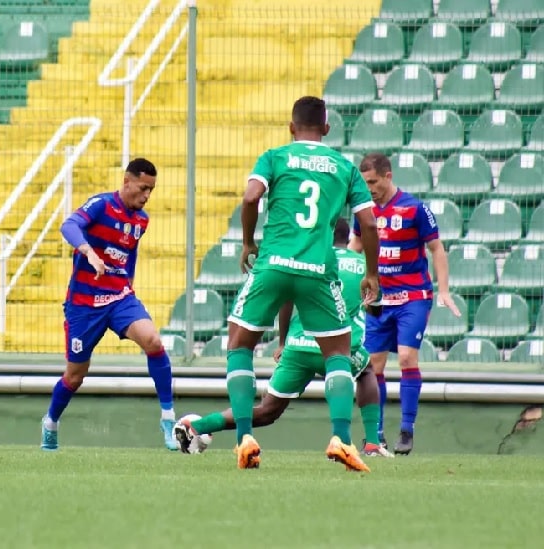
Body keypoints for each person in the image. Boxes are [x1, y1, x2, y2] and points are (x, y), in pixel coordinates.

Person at [222, 96, 380, 470]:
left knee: (239, 344)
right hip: (317, 272)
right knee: (339, 354)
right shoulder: (344, 167)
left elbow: (250, 197)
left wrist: (248, 242)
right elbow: (370, 225)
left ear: (291, 127)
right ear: (326, 129)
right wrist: (371, 272)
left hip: (273, 265)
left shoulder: (275, 156)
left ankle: (245, 436)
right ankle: (342, 440)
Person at [174, 219, 393, 466]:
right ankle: (371, 443)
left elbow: (287, 298)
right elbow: (376, 309)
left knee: (267, 410)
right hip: (337, 346)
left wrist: (282, 341)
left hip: (298, 345)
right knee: (366, 371)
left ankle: (197, 426)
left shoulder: (308, 259)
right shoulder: (364, 266)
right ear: (350, 239)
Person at [40, 157, 178, 451]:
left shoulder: (141, 220)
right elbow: (69, 225)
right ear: (126, 181)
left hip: (119, 298)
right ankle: (51, 421)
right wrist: (89, 252)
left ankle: (168, 418)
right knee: (75, 375)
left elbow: (130, 255)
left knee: (153, 341)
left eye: (151, 190)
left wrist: (128, 283)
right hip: (83, 304)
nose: (147, 195)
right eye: (143, 188)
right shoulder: (101, 205)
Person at [349, 152, 459, 455]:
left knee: (408, 358)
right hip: (378, 298)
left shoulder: (415, 208)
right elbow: (355, 246)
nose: (368, 188)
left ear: (388, 176)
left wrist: (444, 289)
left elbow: (437, 248)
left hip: (412, 297)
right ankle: (377, 434)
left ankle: (407, 430)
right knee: (374, 366)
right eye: (364, 182)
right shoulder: (366, 211)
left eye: (372, 182)